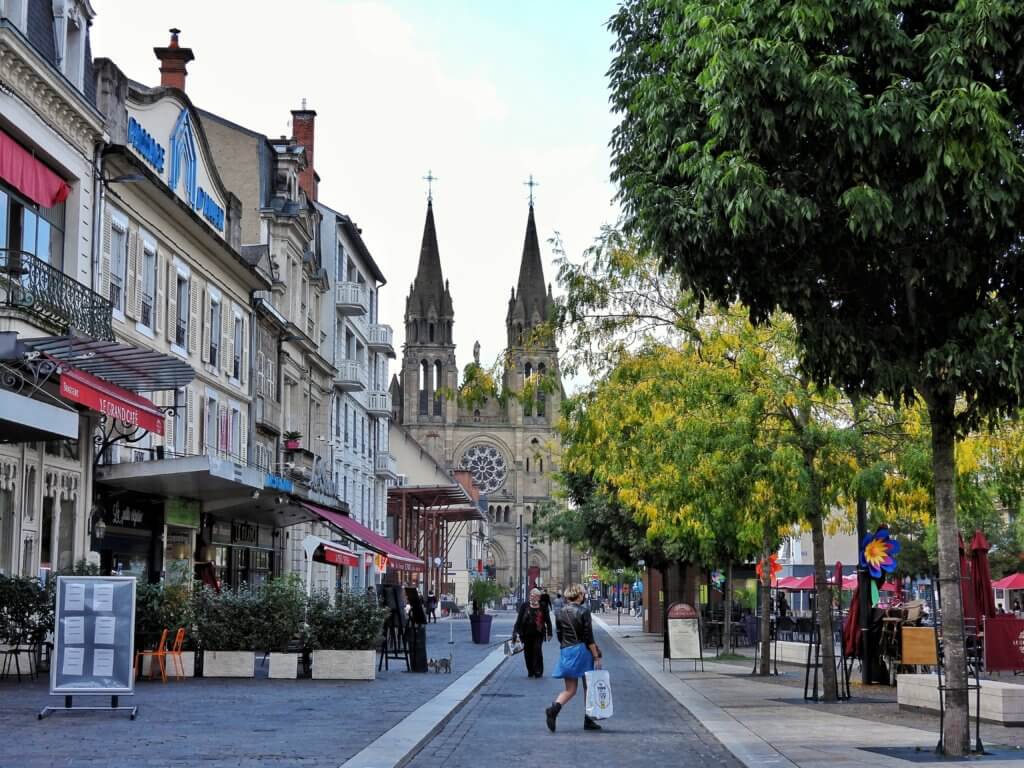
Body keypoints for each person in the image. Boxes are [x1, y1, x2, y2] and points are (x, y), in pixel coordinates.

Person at [545, 583, 603, 732]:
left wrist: (566, 645)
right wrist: (596, 656)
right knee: (588, 687)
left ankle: (554, 709)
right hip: (582, 650)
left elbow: (559, 634)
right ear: (579, 595)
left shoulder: (559, 612)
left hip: (566, 650)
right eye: (583, 593)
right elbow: (588, 637)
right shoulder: (584, 611)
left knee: (570, 689)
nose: (584, 596)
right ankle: (588, 719)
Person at [514, 588, 553, 678]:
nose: (532, 597)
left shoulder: (543, 606)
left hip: (538, 634)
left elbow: (548, 621)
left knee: (537, 650)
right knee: (528, 652)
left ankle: (538, 670)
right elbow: (519, 620)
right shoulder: (525, 606)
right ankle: (530, 670)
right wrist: (515, 632)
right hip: (526, 634)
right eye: (531, 595)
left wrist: (550, 633)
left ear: (539, 597)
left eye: (534, 596)